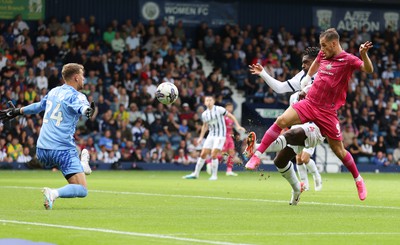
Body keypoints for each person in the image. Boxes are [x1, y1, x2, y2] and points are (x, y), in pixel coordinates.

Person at [245, 28, 373, 202]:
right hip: (309, 104)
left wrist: (364, 54)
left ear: (334, 43)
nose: (322, 49)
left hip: (326, 112)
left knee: (338, 150)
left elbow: (368, 69)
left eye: (324, 45)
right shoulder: (321, 57)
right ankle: (257, 155)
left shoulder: (347, 60)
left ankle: (358, 180)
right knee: (281, 122)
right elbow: (308, 71)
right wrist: (306, 82)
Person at [0, 63, 96, 210]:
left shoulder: (54, 92)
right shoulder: (77, 96)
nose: (84, 79)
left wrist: (17, 111)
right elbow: (83, 107)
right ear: (76, 78)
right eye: (82, 76)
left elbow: (38, 106)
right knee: (82, 189)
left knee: (73, 155)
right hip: (62, 150)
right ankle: (54, 193)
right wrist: (87, 111)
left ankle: (82, 166)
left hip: (42, 151)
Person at [248, 47, 322, 192]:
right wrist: (263, 73)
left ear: (316, 62)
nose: (303, 66)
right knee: (280, 161)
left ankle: (257, 149)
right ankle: (297, 190)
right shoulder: (301, 77)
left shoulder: (326, 73)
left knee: (302, 154)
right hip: (300, 125)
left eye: (307, 63)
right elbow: (281, 87)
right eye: (303, 63)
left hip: (318, 124)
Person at [183, 96, 245, 180]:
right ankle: (195, 174)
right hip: (211, 135)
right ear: (204, 102)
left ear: (213, 101)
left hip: (220, 136)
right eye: (207, 100)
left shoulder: (219, 109)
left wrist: (238, 126)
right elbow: (205, 126)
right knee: (203, 154)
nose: (208, 102)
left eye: (210, 100)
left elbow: (231, 116)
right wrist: (201, 137)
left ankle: (214, 175)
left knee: (214, 154)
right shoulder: (204, 114)